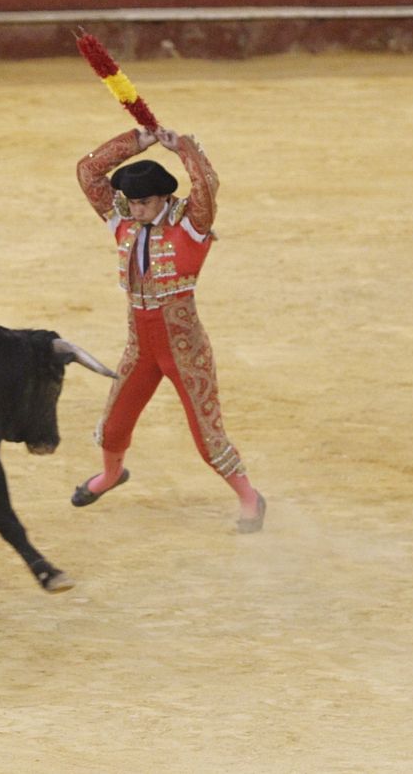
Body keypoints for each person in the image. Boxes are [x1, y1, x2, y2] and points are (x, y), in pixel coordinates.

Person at [73, 126, 267, 534]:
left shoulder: (191, 224)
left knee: (207, 436)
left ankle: (250, 498)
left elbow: (207, 184)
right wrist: (136, 141)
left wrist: (184, 148)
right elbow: (88, 172)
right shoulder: (123, 219)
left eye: (144, 202)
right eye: (132, 202)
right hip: (140, 347)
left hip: (185, 349)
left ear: (163, 198)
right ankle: (111, 475)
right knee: (114, 426)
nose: (136, 209)